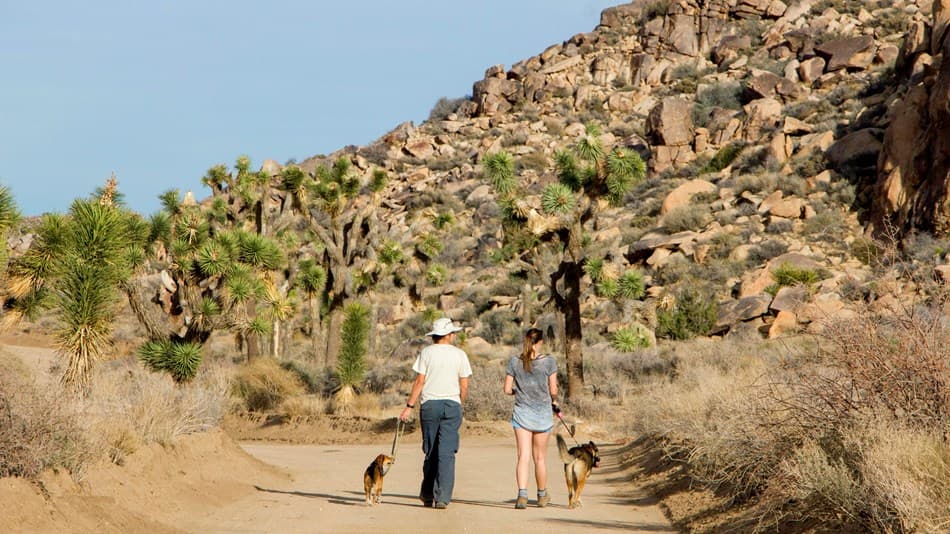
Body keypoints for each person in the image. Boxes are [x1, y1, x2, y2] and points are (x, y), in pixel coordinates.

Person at [399, 317, 473, 509]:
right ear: (448, 335)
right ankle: (443, 497)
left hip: (430, 405)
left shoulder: (426, 353)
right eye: (453, 333)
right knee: (447, 453)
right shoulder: (460, 355)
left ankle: (427, 493)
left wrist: (409, 406)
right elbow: (464, 385)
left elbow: (419, 381)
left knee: (430, 450)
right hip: (451, 405)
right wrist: (459, 403)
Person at [504, 327, 559, 509]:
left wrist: (518, 391)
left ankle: (522, 495)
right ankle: (542, 495)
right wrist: (555, 402)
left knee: (523, 456)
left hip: (522, 414)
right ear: (541, 341)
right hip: (542, 414)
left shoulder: (515, 362)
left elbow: (506, 389)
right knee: (540, 458)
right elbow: (553, 390)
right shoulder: (549, 362)